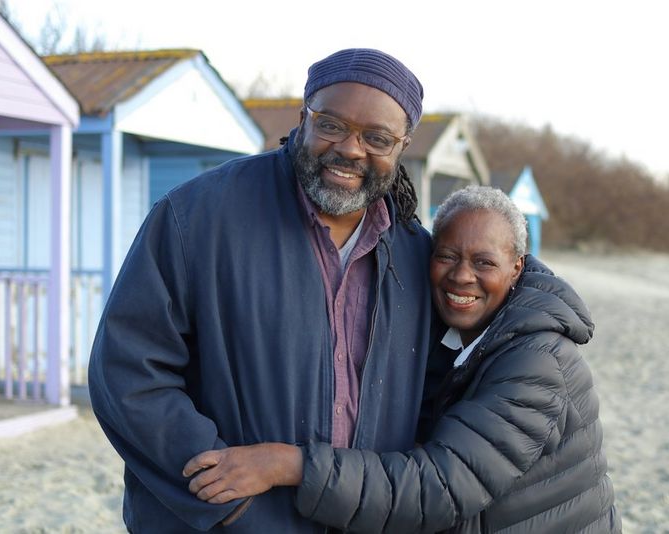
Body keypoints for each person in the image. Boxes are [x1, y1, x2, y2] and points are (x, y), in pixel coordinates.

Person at [87, 48, 435, 532]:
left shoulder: (417, 254)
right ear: (303, 118)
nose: (351, 149)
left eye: (376, 137)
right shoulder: (197, 217)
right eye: (331, 124)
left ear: (402, 146)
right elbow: (127, 371)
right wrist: (230, 505)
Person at [185, 185, 621, 533]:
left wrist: (286, 463)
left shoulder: (538, 361)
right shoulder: (451, 335)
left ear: (517, 269)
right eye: (446, 255)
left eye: (483, 262)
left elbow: (441, 487)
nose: (461, 275)